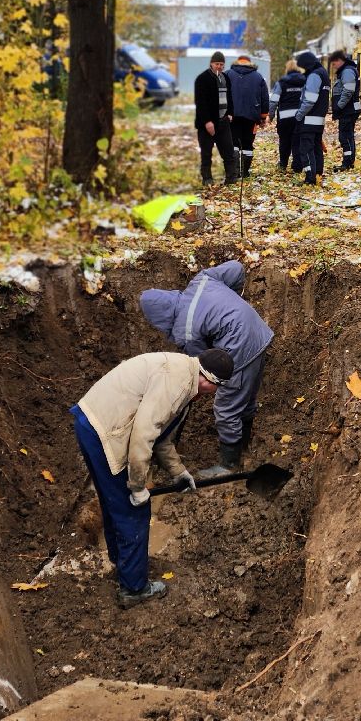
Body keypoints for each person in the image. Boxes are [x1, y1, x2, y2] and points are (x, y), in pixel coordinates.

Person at [71, 347, 236, 608]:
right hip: (105, 433)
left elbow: (161, 438)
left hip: (91, 422)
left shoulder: (184, 375)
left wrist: (179, 472)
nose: (215, 394)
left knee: (114, 501)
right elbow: (143, 435)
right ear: (209, 381)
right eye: (217, 388)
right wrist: (137, 486)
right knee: (132, 509)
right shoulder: (177, 385)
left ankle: (121, 562)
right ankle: (133, 588)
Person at [138, 260, 274, 481]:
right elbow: (237, 268)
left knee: (226, 407)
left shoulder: (186, 330)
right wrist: (231, 307)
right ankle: (245, 446)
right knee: (245, 397)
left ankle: (230, 465)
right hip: (258, 333)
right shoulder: (202, 280)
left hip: (238, 347)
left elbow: (203, 368)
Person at [193, 51, 238, 186]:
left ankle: (231, 178)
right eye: (217, 64)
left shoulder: (225, 78)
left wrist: (230, 113)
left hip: (223, 121)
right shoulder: (202, 79)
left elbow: (229, 97)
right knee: (206, 153)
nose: (219, 66)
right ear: (211, 64)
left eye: (222, 64)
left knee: (228, 151)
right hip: (207, 123)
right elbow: (201, 103)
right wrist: (207, 122)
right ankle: (207, 179)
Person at [226, 54, 270, 176]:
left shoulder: (228, 74)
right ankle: (244, 172)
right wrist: (263, 116)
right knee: (247, 143)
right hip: (251, 116)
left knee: (233, 142)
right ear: (249, 63)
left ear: (237, 62)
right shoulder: (258, 77)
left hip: (231, 116)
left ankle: (234, 171)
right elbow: (264, 98)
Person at [292, 49, 329, 185]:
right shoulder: (323, 73)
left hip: (308, 119)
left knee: (306, 149)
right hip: (319, 119)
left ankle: (310, 178)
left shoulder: (314, 75)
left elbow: (309, 100)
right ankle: (318, 173)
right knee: (316, 148)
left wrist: (299, 115)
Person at [327, 49, 361, 171]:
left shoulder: (347, 71)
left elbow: (348, 91)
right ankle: (349, 161)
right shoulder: (348, 71)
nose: (333, 66)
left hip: (348, 110)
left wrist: (339, 106)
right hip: (350, 109)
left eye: (334, 63)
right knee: (348, 136)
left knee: (345, 136)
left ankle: (347, 163)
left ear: (340, 61)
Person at [269, 58, 307, 172]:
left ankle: (283, 164)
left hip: (284, 118)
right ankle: (297, 166)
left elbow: (274, 100)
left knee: (284, 141)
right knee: (297, 141)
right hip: (300, 116)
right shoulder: (305, 81)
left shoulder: (281, 82)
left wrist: (270, 115)